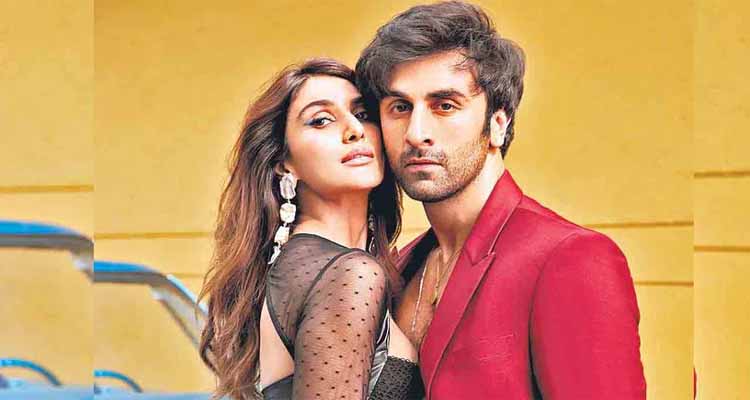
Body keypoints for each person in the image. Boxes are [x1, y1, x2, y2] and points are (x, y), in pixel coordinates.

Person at [355, 1, 647, 399]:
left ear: (498, 124)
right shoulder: (400, 267)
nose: (416, 132)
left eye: (445, 106)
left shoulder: (570, 258)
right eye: (400, 107)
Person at [199, 58, 424, 400]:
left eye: (363, 113)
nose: (354, 129)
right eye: (321, 120)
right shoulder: (349, 274)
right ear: (283, 162)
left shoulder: (298, 267)